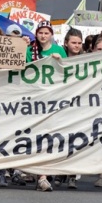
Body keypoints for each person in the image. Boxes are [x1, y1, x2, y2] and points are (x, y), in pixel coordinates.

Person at [26, 21, 67, 192]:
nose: (43, 36)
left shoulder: (58, 50)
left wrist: (60, 61)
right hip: (34, 100)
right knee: (36, 136)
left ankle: (44, 174)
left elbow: (68, 72)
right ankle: (40, 175)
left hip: (53, 100)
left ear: (51, 34)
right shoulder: (30, 50)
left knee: (49, 136)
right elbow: (24, 70)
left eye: (46, 33)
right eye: (40, 32)